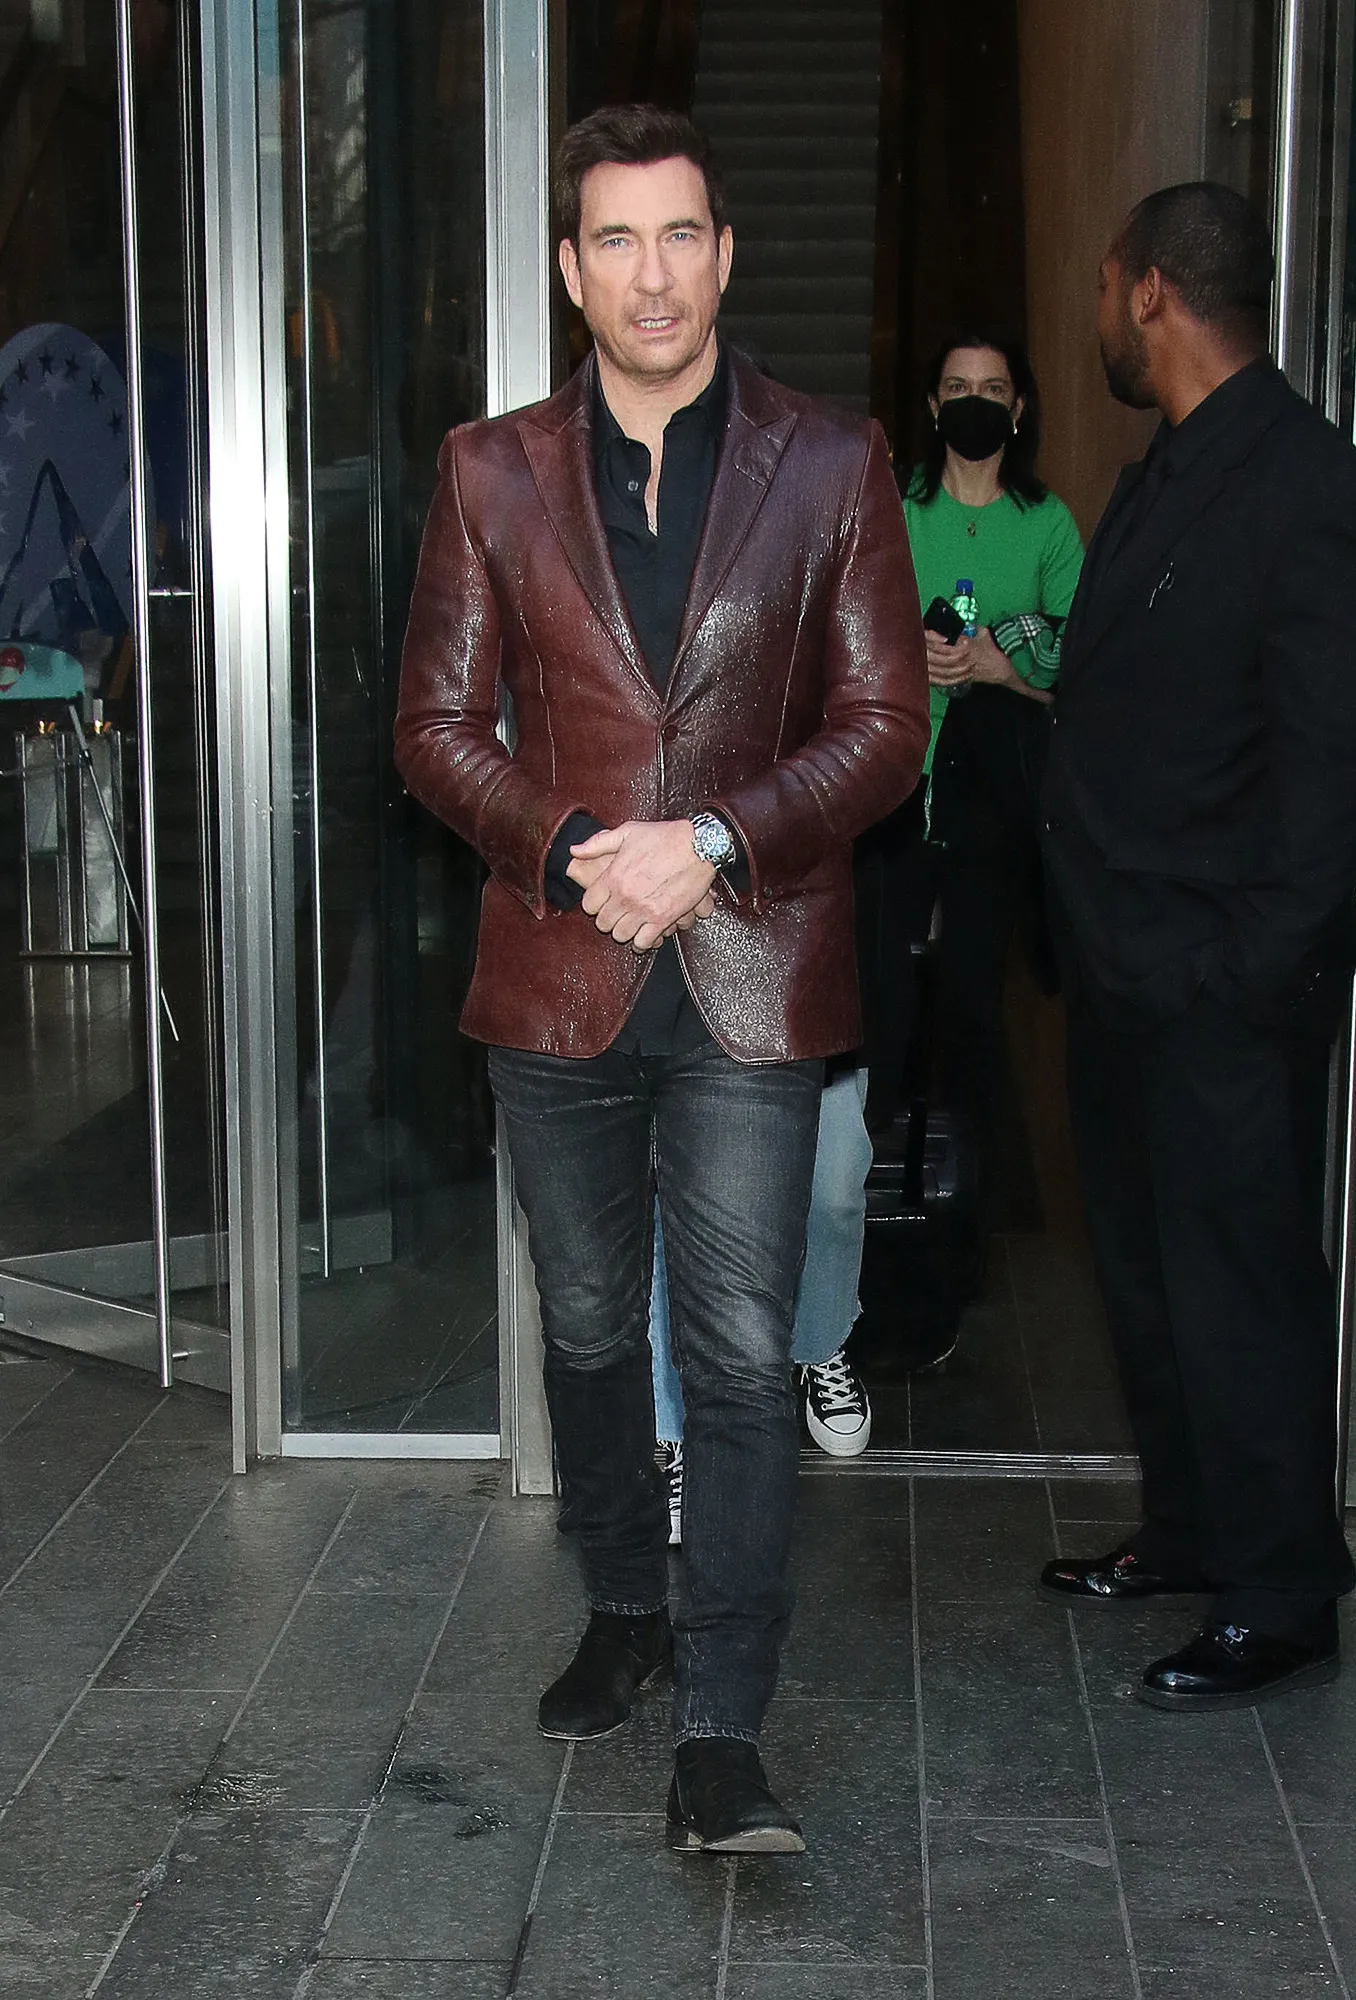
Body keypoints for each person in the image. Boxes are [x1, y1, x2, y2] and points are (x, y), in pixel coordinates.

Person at [394, 103, 928, 1850]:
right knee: (582, 1322)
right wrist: (572, 847)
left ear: (725, 252)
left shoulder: (829, 463)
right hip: (557, 970)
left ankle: (723, 1724)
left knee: (741, 1348)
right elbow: (433, 728)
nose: (652, 274)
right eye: (616, 240)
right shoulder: (488, 470)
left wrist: (707, 841)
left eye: (680, 234)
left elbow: (885, 727)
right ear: (571, 269)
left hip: (752, 969)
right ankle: (626, 1605)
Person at [1038, 181, 1356, 1708]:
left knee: (1242, 1286)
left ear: (1151, 291)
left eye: (1108, 289)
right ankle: (1188, 1531)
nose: (1101, 316)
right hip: (1128, 972)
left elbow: (1329, 773)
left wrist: (1245, 974)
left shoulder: (1306, 482)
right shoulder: (1163, 469)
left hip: (1223, 984)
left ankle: (1283, 1589)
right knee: (1156, 1281)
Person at [904, 333, 1084, 1215]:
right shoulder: (893, 511)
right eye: (956, 387)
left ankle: (975, 1214)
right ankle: (887, 1195)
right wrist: (910, 657)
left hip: (994, 807)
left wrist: (1002, 670)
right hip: (896, 793)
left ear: (1017, 410)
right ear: (934, 407)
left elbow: (1087, 676)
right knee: (890, 1001)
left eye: (992, 387)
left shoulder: (1047, 525)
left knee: (974, 1003)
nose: (973, 401)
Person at [651, 1062, 874, 1543]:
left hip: (810, 1027)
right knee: (676, 1188)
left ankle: (818, 1341)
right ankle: (680, 1426)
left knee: (833, 1186)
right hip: (682, 1022)